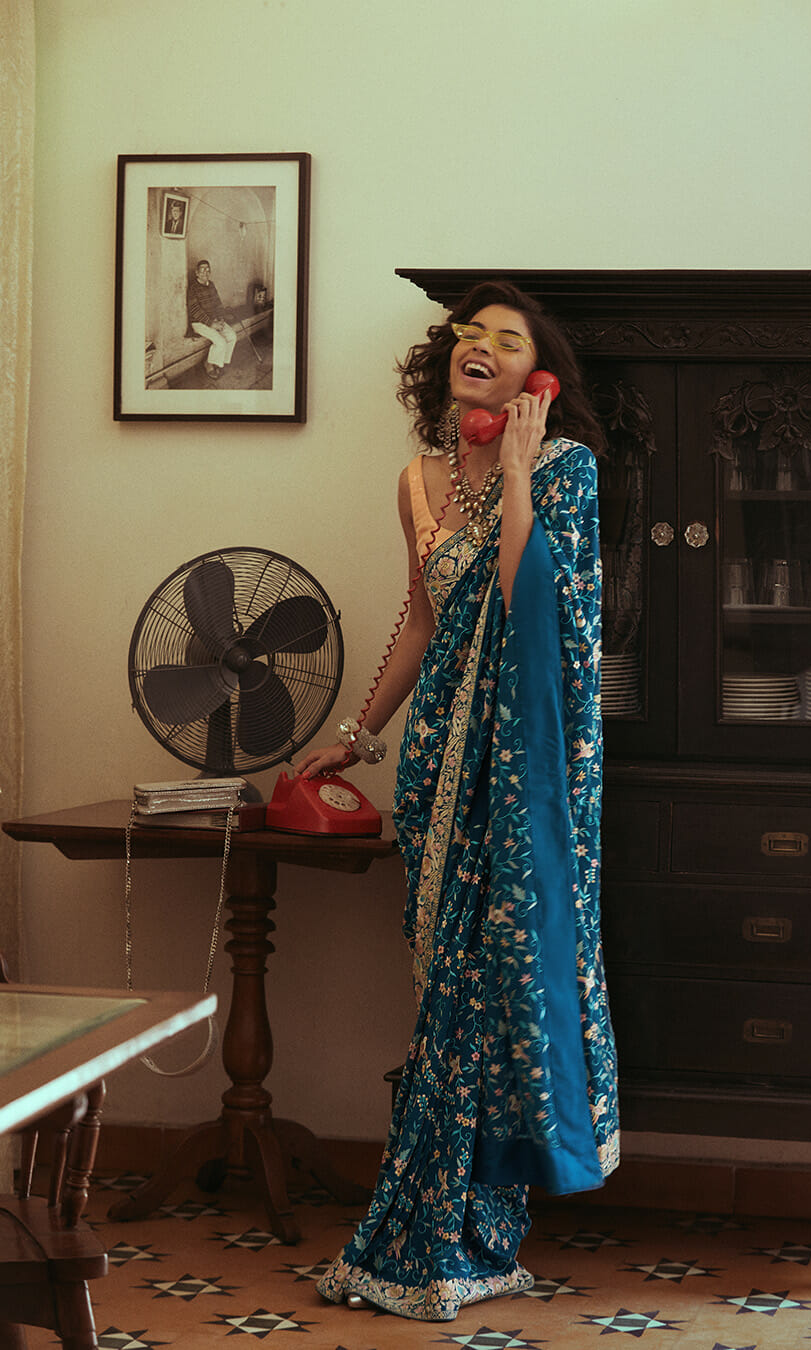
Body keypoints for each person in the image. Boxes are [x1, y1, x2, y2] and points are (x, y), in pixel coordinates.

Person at [299, 279, 620, 1322]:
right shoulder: (420, 479)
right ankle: (441, 1232)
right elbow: (423, 621)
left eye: (505, 338)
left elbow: (537, 607)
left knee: (492, 991)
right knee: (443, 986)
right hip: (439, 757)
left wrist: (518, 469)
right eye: (467, 332)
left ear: (537, 374)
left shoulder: (564, 470)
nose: (477, 345)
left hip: (519, 762)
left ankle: (457, 1233)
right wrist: (356, 736)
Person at [187, 260, 237, 380]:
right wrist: (211, 323)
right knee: (221, 342)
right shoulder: (193, 288)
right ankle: (208, 364)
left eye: (208, 269)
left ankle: (219, 362)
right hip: (199, 322)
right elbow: (194, 310)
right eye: (202, 269)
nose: (205, 272)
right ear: (197, 273)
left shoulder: (211, 285)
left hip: (214, 320)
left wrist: (220, 319)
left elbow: (218, 304)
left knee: (232, 336)